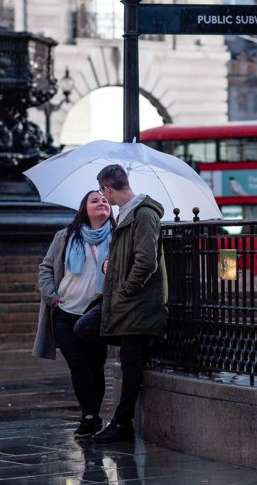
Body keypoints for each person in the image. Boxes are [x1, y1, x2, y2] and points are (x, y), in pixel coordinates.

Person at [92, 164, 168, 443]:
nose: (104, 197)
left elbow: (146, 261)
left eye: (103, 192)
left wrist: (125, 289)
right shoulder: (128, 214)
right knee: (89, 332)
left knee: (130, 360)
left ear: (108, 188)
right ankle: (108, 418)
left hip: (139, 303)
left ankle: (122, 422)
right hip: (131, 302)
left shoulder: (143, 214)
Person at [32, 190, 114, 439]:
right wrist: (51, 296)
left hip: (96, 313)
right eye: (95, 200)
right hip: (65, 313)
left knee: (96, 365)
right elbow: (46, 267)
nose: (101, 203)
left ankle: (94, 415)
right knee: (78, 366)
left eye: (105, 201)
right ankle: (89, 416)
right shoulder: (65, 236)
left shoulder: (120, 237)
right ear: (84, 209)